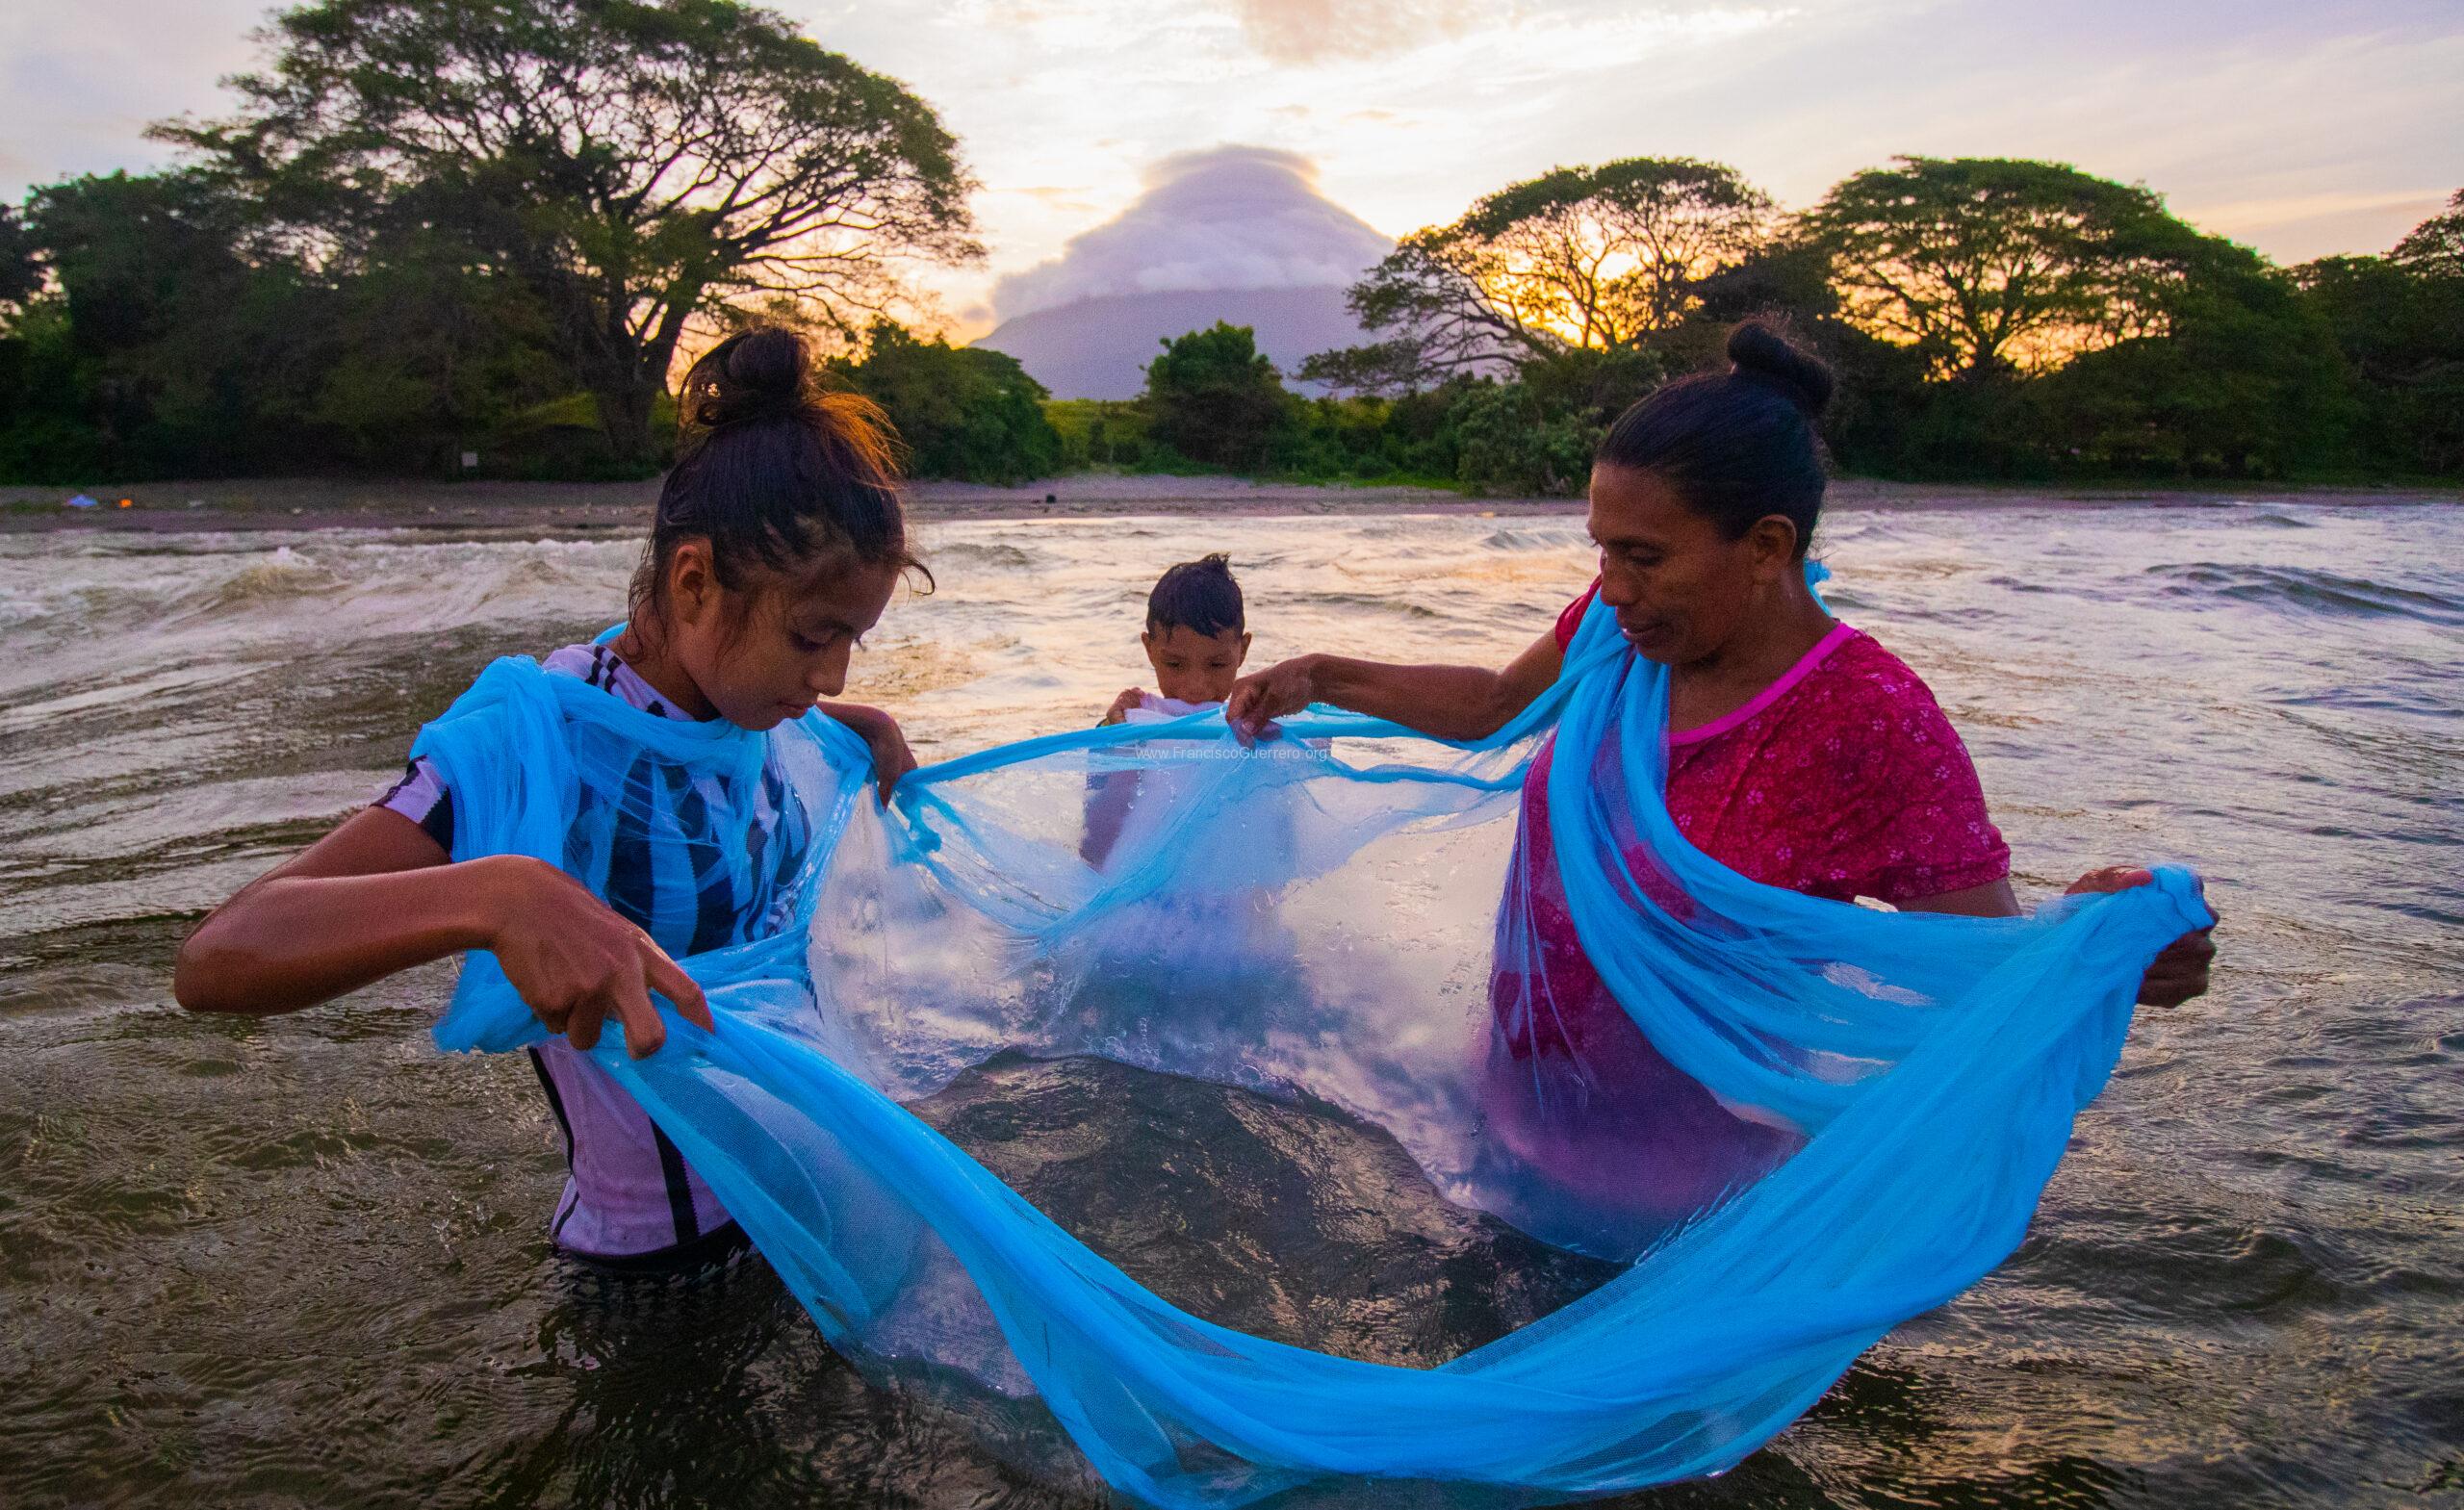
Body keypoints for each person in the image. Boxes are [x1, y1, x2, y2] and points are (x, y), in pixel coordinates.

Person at [1225, 320, 2217, 1220]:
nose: (1611, 588)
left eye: (1644, 556)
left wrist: (2103, 953)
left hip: (1680, 1204)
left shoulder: (1866, 721)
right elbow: (1495, 705)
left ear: (1765, 547)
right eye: (1601, 551)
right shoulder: (1624, 639)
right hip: (1517, 1121)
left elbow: (1978, 972)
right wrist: (1319, 676)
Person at [173, 327, 926, 1269]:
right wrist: (498, 897)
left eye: (852, 641)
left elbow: (723, 735)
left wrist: (863, 726)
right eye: (815, 637)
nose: (829, 674)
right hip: (660, 1272)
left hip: (807, 1201)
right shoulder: (535, 745)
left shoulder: (754, 715)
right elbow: (218, 958)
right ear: (693, 582)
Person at [1083, 553, 1251, 867]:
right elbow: (1094, 839)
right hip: (1143, 892)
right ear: (1150, 649)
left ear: (1242, 650)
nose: (1195, 687)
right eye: (1175, 664)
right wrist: (1118, 737)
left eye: (1217, 664)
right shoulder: (1131, 721)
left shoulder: (1250, 723)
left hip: (1222, 895)